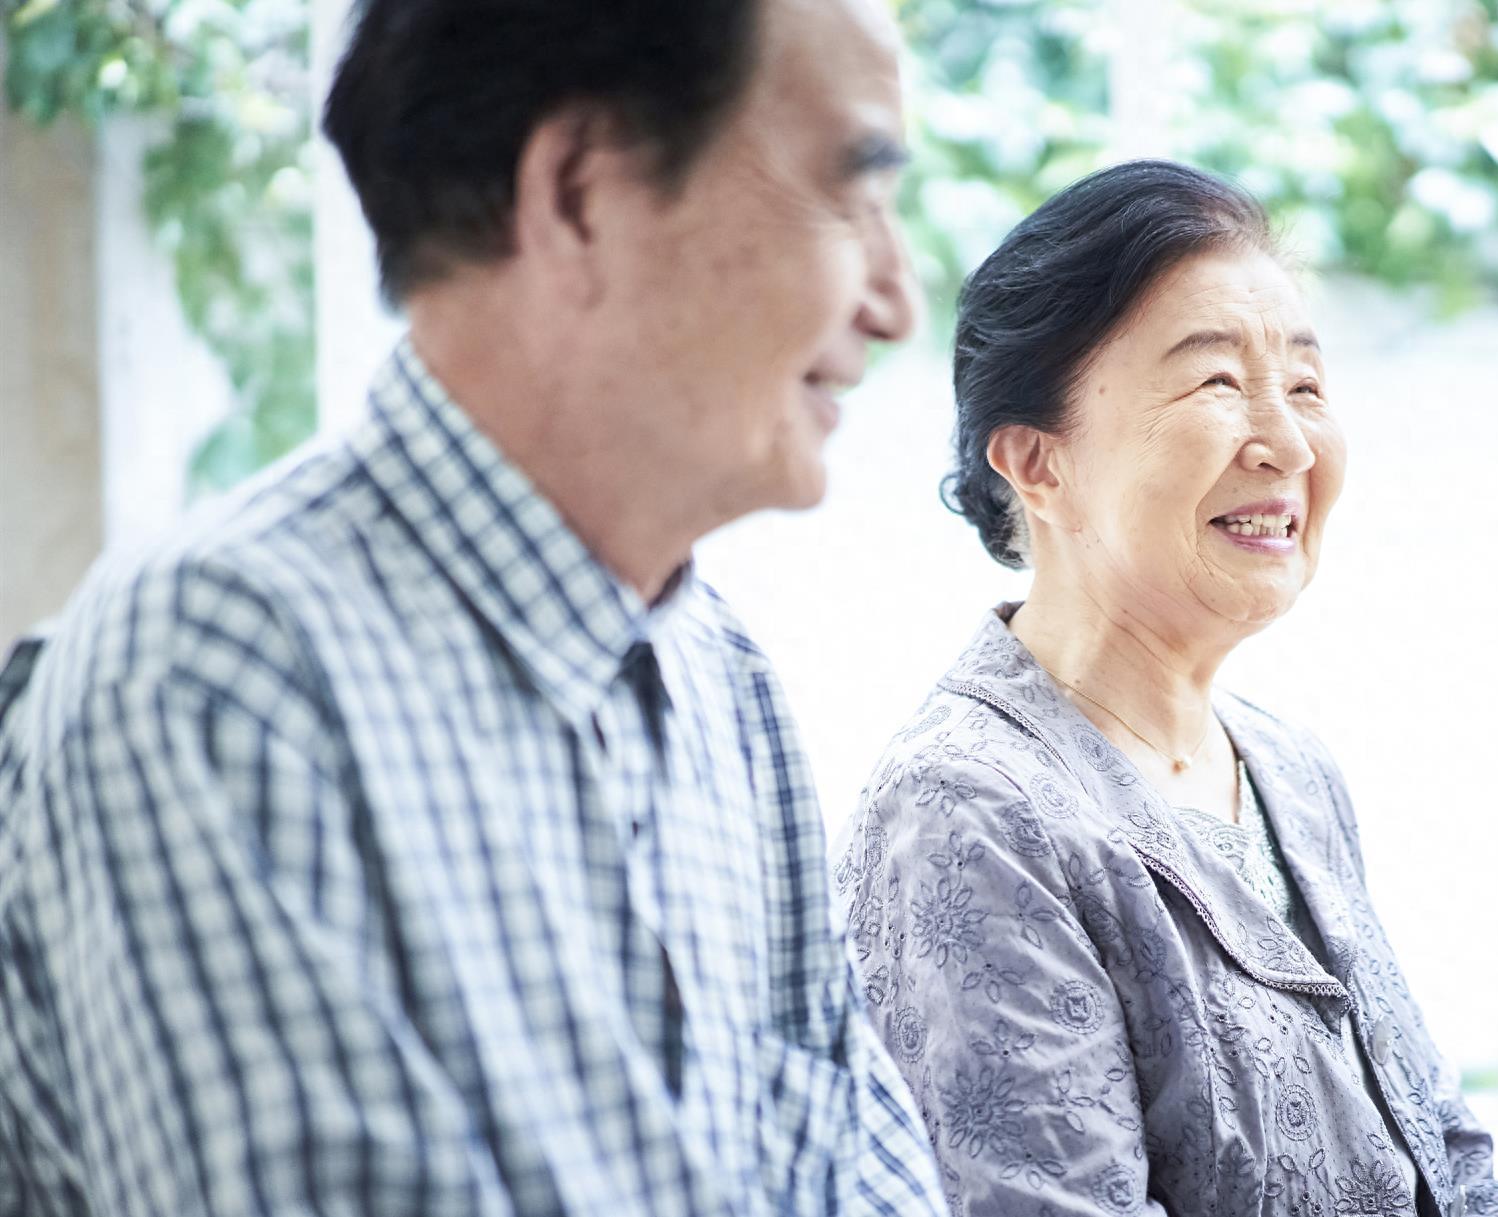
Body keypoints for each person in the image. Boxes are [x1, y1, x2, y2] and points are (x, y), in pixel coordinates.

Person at [0, 0, 948, 1213]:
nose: (895, 300)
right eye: (851, 191)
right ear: (577, 196)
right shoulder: (221, 667)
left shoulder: (726, 682)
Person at [835, 160, 1498, 1217]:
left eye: (1304, 386)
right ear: (1035, 460)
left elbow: (1446, 1156)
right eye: (1218, 382)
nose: (1290, 442)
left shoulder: (1285, 767)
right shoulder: (967, 808)